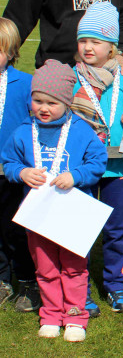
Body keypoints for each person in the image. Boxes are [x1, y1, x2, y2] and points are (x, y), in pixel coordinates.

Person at [1, 60, 107, 342]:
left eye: (52, 102)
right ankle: (50, 314)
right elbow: (8, 161)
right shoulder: (24, 130)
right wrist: (21, 172)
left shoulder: (81, 130)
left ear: (67, 103)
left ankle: (75, 316)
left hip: (73, 213)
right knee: (45, 267)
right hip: (38, 215)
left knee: (74, 266)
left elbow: (99, 161)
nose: (44, 108)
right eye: (38, 100)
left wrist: (76, 175)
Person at [69, 1, 123, 316]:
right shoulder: (70, 77)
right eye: (83, 40)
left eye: (96, 41)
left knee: (115, 229)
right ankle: (78, 289)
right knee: (78, 229)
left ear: (113, 47)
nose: (88, 47)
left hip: (117, 168)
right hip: (80, 169)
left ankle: (115, 284)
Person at [0, 19, 36, 313]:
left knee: (17, 228)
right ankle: (2, 280)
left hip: (14, 172)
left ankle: (27, 280)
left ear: (11, 51)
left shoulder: (25, 83)